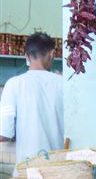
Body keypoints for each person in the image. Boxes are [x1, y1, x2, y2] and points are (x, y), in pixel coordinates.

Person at [0, 32, 64, 163]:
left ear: (26, 56)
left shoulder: (14, 84)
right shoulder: (63, 84)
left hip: (27, 168)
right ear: (52, 54)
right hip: (58, 167)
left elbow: (4, 134)